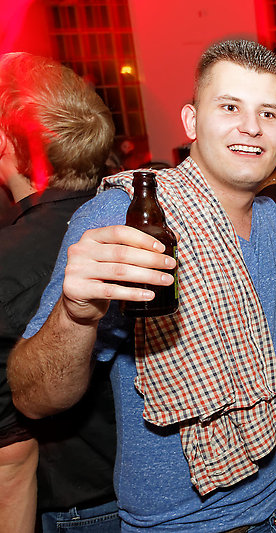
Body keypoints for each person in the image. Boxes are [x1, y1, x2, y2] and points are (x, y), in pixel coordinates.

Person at [8, 39, 276, 532]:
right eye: (230, 107)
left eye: (268, 113)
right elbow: (34, 399)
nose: (251, 127)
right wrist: (74, 314)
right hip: (185, 523)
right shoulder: (128, 218)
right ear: (191, 121)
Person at [0, 52, 117, 532]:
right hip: (162, 496)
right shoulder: (138, 223)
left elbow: (10, 457)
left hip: (77, 512)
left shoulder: (9, 259)